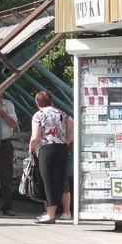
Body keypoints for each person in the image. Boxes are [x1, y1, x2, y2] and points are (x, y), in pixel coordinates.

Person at [28, 90, 73, 224]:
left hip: (47, 149)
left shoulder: (39, 115)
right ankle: (61, 211)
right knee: (60, 179)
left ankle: (50, 214)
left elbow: (36, 136)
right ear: (51, 100)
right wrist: (66, 141)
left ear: (37, 102)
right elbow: (73, 129)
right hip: (62, 149)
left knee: (48, 181)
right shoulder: (62, 113)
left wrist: (31, 147)